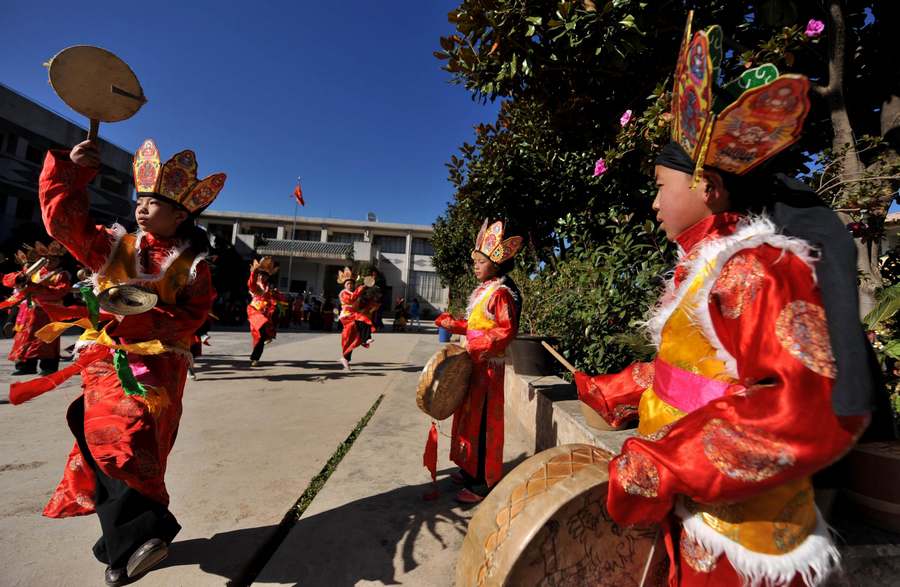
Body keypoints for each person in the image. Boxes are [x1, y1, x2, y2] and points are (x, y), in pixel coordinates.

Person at [573, 16, 873, 586]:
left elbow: (803, 406)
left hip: (741, 531)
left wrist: (665, 460)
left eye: (662, 185)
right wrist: (615, 389)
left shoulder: (759, 265)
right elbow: (692, 374)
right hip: (695, 507)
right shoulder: (705, 266)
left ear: (707, 186)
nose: (655, 202)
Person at [15, 137, 221, 586]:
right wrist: (73, 173)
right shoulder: (113, 245)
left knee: (137, 447)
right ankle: (136, 542)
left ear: (181, 215)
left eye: (153, 203)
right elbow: (63, 225)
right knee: (114, 439)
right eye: (141, 200)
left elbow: (193, 315)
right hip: (108, 358)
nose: (142, 208)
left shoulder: (193, 263)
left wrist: (148, 318)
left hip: (161, 365)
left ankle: (123, 547)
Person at [434, 219, 523, 503]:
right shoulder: (482, 292)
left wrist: (476, 340)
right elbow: (477, 326)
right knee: (468, 419)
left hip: (488, 368)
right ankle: (469, 467)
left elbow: (505, 331)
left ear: (495, 264)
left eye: (480, 261)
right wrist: (455, 325)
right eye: (475, 261)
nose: (475, 266)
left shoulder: (501, 294)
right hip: (474, 365)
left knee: (484, 422)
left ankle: (484, 480)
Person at [1, 241, 71, 375]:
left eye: (54, 259)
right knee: (24, 338)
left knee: (47, 340)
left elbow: (58, 292)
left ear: (60, 261)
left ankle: (48, 366)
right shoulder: (33, 272)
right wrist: (19, 279)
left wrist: (34, 287)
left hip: (48, 313)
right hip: (29, 312)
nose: (50, 261)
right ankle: (26, 366)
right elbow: (11, 280)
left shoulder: (62, 275)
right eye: (47, 259)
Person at [247, 257, 281, 366]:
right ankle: (267, 336)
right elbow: (250, 284)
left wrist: (276, 296)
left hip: (264, 313)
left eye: (264, 275)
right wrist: (254, 272)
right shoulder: (255, 285)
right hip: (254, 312)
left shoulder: (268, 287)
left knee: (259, 336)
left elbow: (275, 298)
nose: (262, 277)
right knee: (259, 333)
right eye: (260, 274)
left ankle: (255, 358)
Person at [338, 267, 374, 370]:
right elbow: (351, 299)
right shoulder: (343, 293)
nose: (350, 285)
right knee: (363, 319)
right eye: (348, 284)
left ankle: (345, 359)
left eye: (351, 284)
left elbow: (358, 303)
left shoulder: (353, 293)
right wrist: (361, 288)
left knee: (351, 340)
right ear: (345, 285)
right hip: (346, 316)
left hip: (353, 316)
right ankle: (365, 338)